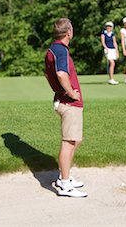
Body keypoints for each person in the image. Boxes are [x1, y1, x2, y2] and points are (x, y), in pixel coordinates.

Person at [44, 18, 87, 198]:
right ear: (69, 32)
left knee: (76, 140)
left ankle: (64, 175)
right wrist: (70, 93)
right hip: (69, 103)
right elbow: (61, 74)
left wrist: (60, 91)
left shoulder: (52, 49)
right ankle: (65, 184)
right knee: (69, 142)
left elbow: (47, 75)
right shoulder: (61, 50)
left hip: (62, 101)